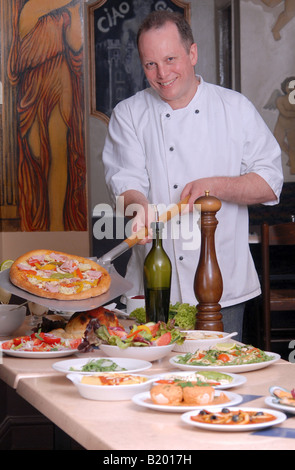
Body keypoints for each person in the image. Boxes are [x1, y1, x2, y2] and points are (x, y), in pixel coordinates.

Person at [102, 11, 283, 340]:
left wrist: (213, 187)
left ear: (193, 53)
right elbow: (125, 182)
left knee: (217, 384)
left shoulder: (235, 108)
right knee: (150, 387)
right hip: (151, 290)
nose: (162, 74)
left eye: (170, 58)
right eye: (150, 64)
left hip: (223, 288)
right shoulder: (129, 113)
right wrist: (137, 206)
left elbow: (270, 183)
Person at [7, 0, 87, 231]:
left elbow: (76, 45)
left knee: (59, 154)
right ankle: (37, 224)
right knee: (36, 155)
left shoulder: (64, 11)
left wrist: (73, 13)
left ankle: (57, 224)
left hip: (61, 80)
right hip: (33, 86)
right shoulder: (30, 8)